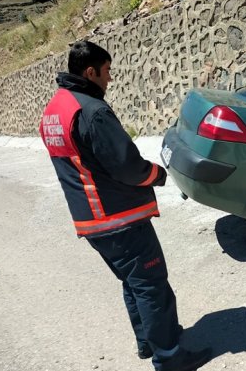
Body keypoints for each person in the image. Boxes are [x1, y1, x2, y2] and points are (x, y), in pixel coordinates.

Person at [39, 40, 211, 371]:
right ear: (90, 72)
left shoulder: (54, 110)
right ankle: (170, 357)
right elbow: (128, 166)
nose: (110, 79)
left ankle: (148, 342)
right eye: (106, 72)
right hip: (119, 218)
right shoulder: (92, 111)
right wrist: (158, 174)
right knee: (151, 287)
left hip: (90, 221)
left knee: (133, 283)